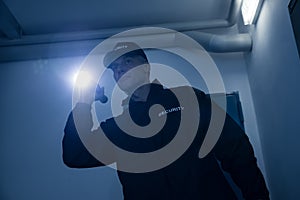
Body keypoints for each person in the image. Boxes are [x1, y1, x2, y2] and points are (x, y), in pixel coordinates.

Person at [62, 42, 270, 200]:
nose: (120, 70)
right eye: (115, 67)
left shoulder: (188, 99)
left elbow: (236, 150)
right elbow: (75, 155)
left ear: (145, 68)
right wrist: (84, 103)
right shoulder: (117, 128)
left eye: (127, 61)